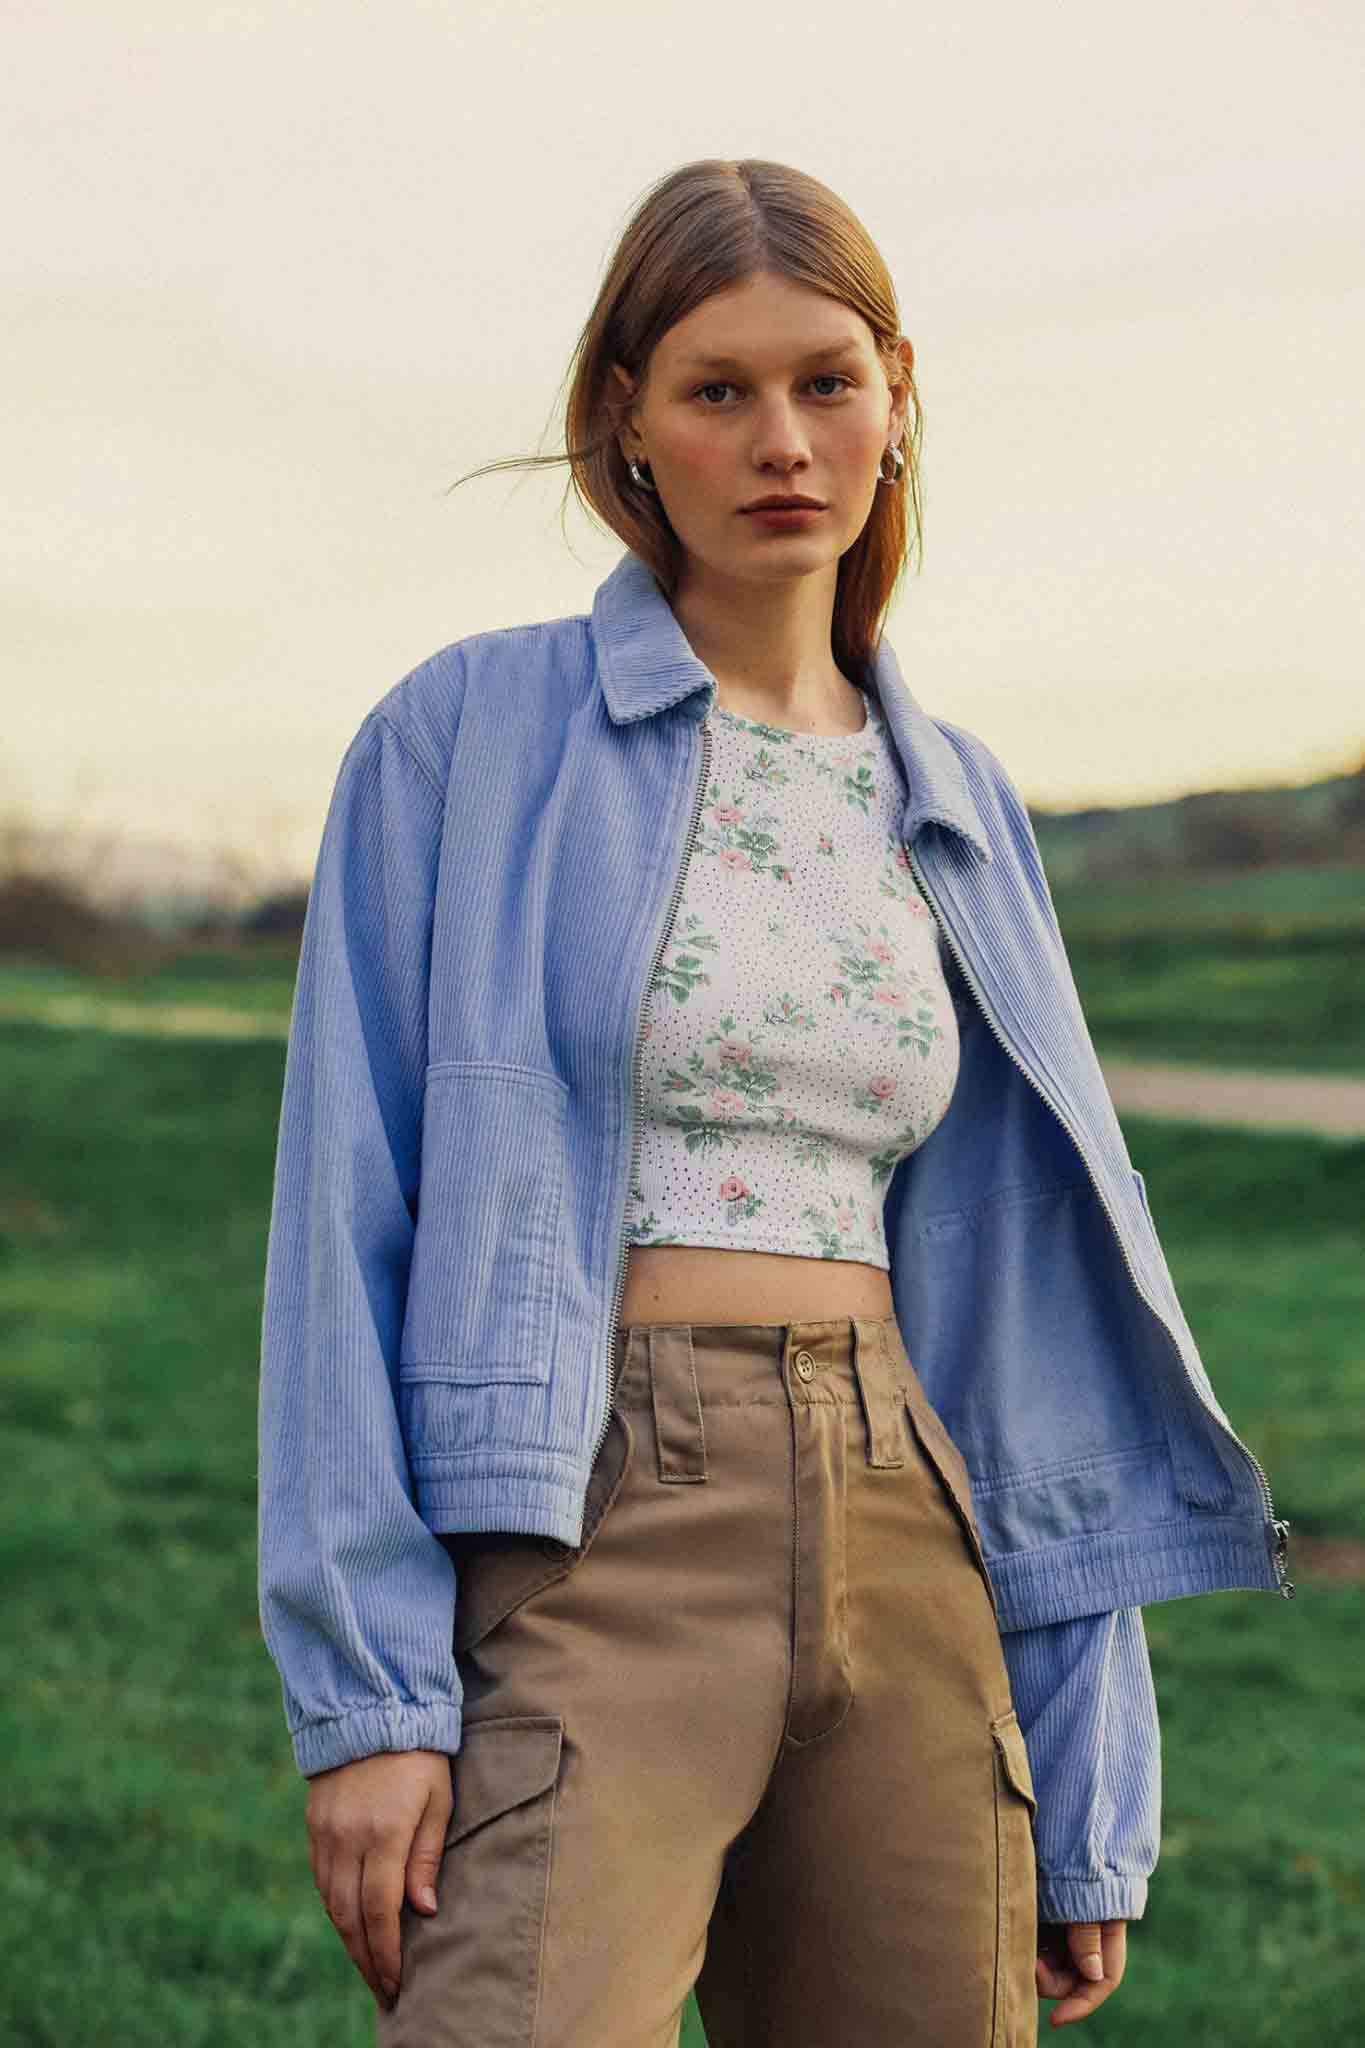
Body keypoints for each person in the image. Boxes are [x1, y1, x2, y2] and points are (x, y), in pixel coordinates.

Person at [256, 158, 1292, 2046]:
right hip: (593, 1522)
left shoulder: (956, 795)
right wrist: (373, 1704)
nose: (781, 442)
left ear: (896, 400)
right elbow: (344, 1218)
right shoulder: (467, 734)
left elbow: (1039, 1308)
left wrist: (1091, 1783)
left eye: (826, 382)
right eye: (716, 390)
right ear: (627, 425)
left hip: (907, 1519)